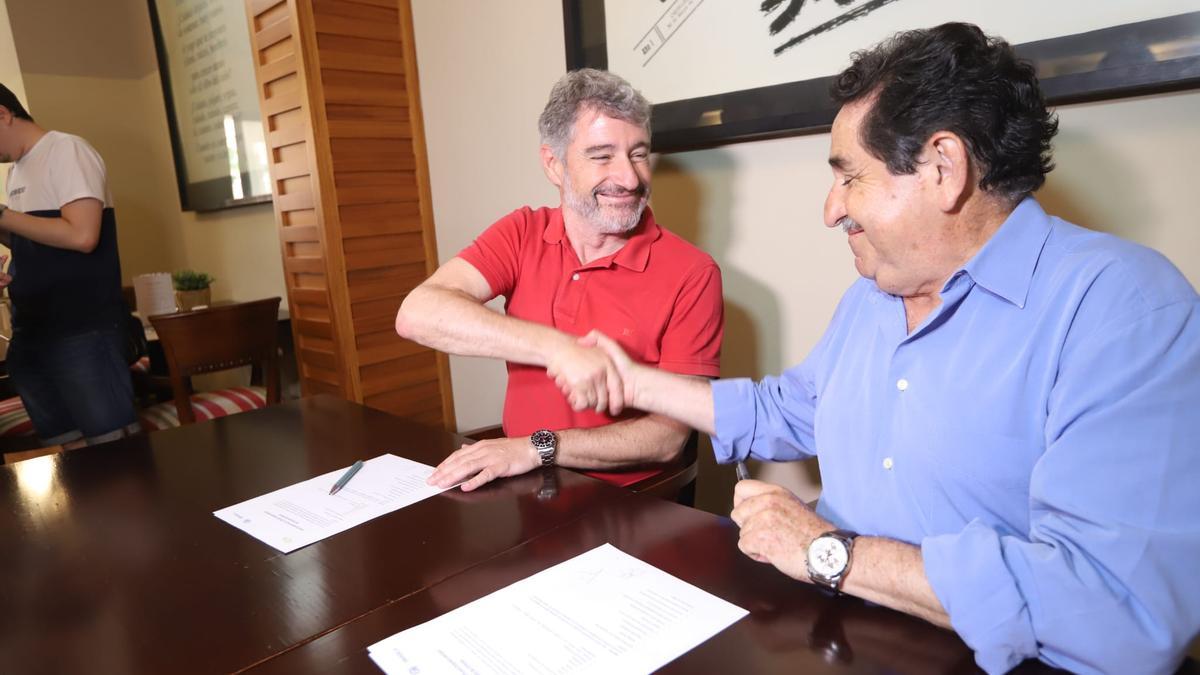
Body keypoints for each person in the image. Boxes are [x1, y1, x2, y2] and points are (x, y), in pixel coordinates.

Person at [575, 23, 1200, 674]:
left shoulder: (1126, 311)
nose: (831, 209)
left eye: (850, 177)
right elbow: (786, 410)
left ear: (942, 168)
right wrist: (630, 380)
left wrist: (829, 551)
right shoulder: (873, 297)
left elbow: (1117, 611)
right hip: (838, 635)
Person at [396, 69, 723, 492]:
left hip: (626, 500)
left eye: (639, 154)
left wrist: (538, 448)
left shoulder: (693, 273)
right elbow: (417, 314)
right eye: (602, 156)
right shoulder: (522, 232)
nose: (629, 178)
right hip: (520, 484)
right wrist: (559, 349)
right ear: (554, 165)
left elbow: (667, 440)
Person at [0, 83, 139, 448]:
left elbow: (82, 235)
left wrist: (2, 215)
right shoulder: (16, 171)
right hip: (32, 331)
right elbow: (37, 239)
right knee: (67, 456)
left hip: (80, 330)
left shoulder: (66, 150)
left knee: (116, 456)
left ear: (3, 114)